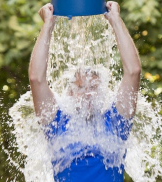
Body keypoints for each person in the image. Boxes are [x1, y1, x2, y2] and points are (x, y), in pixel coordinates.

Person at [29, 1, 141, 182]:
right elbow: (36, 79)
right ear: (69, 94)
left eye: (94, 87)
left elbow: (133, 71)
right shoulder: (55, 123)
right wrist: (48, 25)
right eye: (80, 88)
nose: (88, 93)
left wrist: (115, 20)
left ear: (103, 92)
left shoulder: (116, 122)